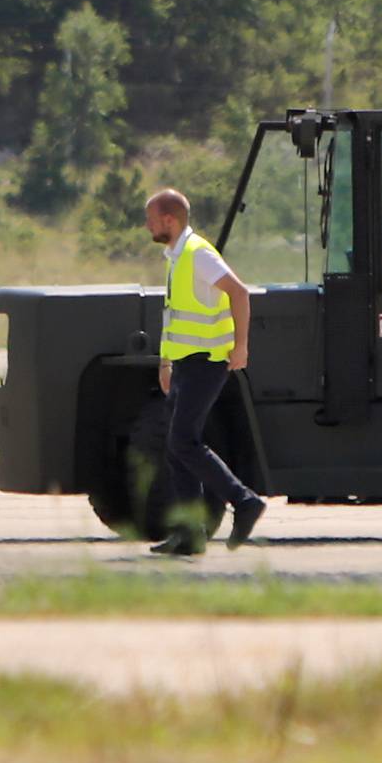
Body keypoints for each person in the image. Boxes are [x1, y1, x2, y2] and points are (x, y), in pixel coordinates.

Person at [132, 187, 267, 556]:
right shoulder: (176, 257)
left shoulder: (198, 254)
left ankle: (244, 501)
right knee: (177, 449)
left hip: (207, 362)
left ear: (169, 220)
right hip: (184, 364)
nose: (147, 226)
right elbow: (174, 316)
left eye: (151, 219)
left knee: (183, 441)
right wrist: (165, 362)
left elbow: (239, 294)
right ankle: (190, 534)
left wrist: (241, 346)